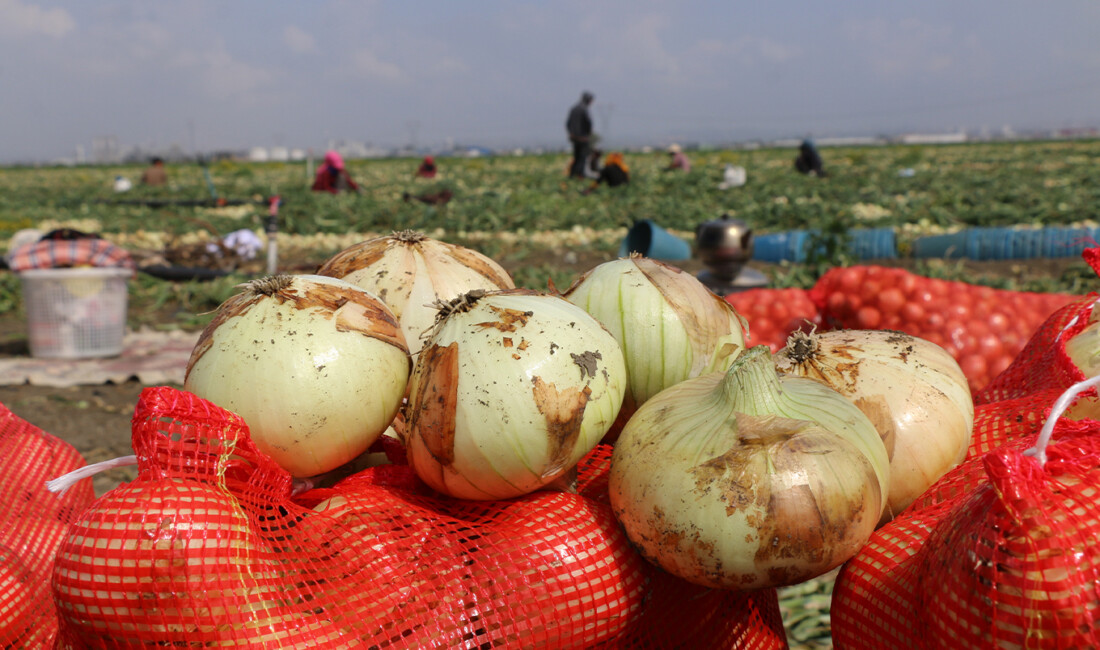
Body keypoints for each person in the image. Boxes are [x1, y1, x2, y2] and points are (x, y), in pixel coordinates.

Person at [565, 91, 595, 179]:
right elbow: (588, 122)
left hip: (574, 137)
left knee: (576, 157)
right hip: (583, 138)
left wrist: (571, 133)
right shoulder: (584, 109)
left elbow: (568, 123)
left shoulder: (574, 109)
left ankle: (572, 175)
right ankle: (580, 176)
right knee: (582, 158)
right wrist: (588, 134)